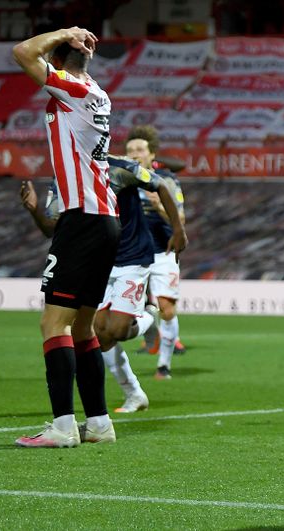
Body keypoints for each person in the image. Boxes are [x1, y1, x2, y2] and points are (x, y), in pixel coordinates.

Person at [11, 27, 121, 447]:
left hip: (83, 219)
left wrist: (65, 33)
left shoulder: (72, 87)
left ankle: (62, 426)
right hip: (105, 217)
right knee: (83, 327)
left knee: (52, 321)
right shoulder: (97, 91)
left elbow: (22, 51)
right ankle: (99, 423)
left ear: (54, 63)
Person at [20, 155, 186, 414]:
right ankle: (134, 393)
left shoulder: (119, 168)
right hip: (100, 260)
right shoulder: (60, 182)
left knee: (118, 330)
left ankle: (148, 320)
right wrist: (34, 211)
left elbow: (160, 185)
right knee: (100, 334)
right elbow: (50, 228)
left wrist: (178, 230)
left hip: (132, 258)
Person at [125, 125, 188, 378]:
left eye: (140, 149)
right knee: (125, 314)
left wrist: (161, 206)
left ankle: (164, 365)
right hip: (131, 253)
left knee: (168, 309)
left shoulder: (168, 181)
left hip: (163, 251)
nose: (135, 154)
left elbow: (180, 219)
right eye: (130, 150)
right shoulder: (120, 179)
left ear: (152, 156)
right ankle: (149, 324)